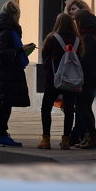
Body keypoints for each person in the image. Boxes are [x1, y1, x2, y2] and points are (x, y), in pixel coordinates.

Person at [0, 0, 32, 147]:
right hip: (6, 74)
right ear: (14, 15)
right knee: (4, 106)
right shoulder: (7, 31)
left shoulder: (5, 29)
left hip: (5, 74)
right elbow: (2, 53)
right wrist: (21, 50)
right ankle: (1, 134)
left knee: (2, 105)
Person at [37, 11, 83, 149]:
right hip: (71, 80)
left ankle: (46, 139)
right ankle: (66, 140)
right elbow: (81, 57)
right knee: (69, 110)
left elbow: (45, 59)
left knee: (46, 108)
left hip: (53, 80)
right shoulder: (77, 40)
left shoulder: (52, 38)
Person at [71, 6, 96, 149]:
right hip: (92, 79)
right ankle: (90, 136)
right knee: (85, 107)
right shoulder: (92, 35)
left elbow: (84, 61)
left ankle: (93, 135)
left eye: (76, 21)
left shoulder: (86, 38)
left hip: (87, 80)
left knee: (83, 108)